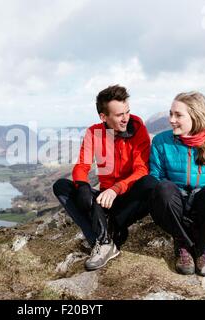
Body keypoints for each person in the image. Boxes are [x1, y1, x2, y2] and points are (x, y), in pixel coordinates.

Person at [53, 85, 157, 271]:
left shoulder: (138, 128)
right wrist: (83, 186)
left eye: (127, 112)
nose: (126, 118)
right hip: (105, 200)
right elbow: (82, 166)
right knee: (61, 186)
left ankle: (102, 237)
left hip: (128, 197)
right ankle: (105, 241)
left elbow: (141, 170)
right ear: (103, 117)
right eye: (119, 115)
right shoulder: (94, 132)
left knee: (150, 183)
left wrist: (116, 189)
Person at [149, 91, 205, 276]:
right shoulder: (161, 142)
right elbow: (155, 178)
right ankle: (183, 245)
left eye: (178, 115)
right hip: (173, 209)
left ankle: (202, 251)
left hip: (204, 211)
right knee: (163, 188)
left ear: (195, 116)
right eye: (171, 113)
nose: (171, 120)